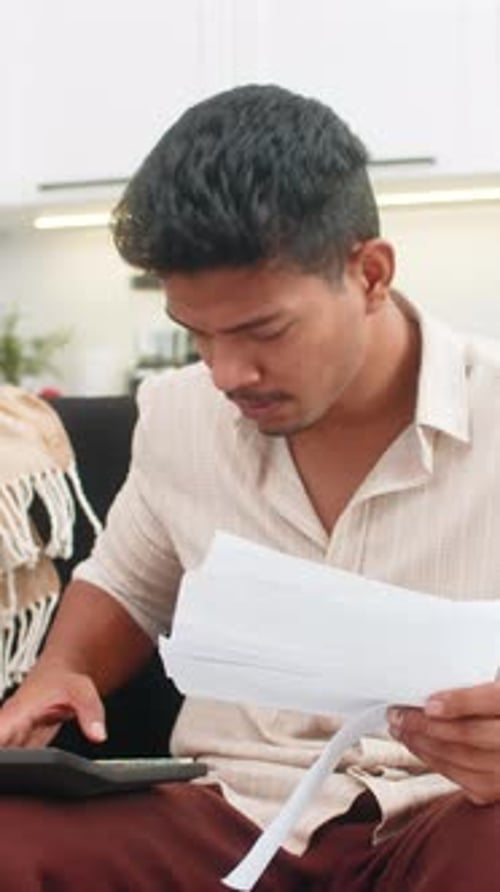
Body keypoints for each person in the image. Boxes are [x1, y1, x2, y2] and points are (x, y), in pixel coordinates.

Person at [0, 84, 499, 891]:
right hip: (234, 812)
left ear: (369, 274)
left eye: (264, 331)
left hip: (449, 812)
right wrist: (63, 667)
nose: (228, 373)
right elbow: (126, 581)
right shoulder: (177, 417)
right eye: (198, 335)